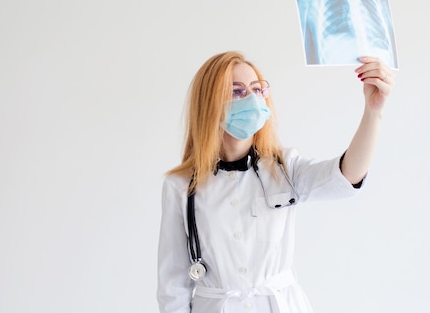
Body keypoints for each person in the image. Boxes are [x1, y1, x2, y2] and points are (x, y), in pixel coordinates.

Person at [157, 51, 394, 313]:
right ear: (209, 102)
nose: (252, 99)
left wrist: (374, 112)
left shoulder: (284, 168)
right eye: (237, 91)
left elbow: (346, 176)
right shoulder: (180, 186)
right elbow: (172, 285)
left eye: (257, 89)